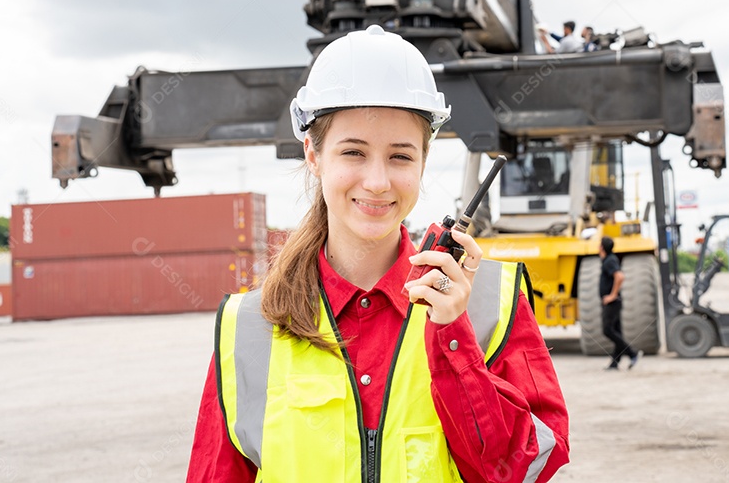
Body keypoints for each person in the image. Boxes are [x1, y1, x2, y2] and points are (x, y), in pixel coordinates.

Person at [186, 25, 570, 482]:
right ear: (313, 153)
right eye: (353, 152)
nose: (377, 181)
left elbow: (527, 471)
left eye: (400, 157)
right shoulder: (248, 327)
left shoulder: (492, 302)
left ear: (424, 161)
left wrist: (454, 340)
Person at [599, 236, 642, 370]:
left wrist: (612, 295)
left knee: (607, 330)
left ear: (601, 247)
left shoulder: (609, 261)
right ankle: (614, 363)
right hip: (613, 303)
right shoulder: (609, 259)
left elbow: (620, 276)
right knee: (617, 331)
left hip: (612, 303)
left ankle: (632, 353)